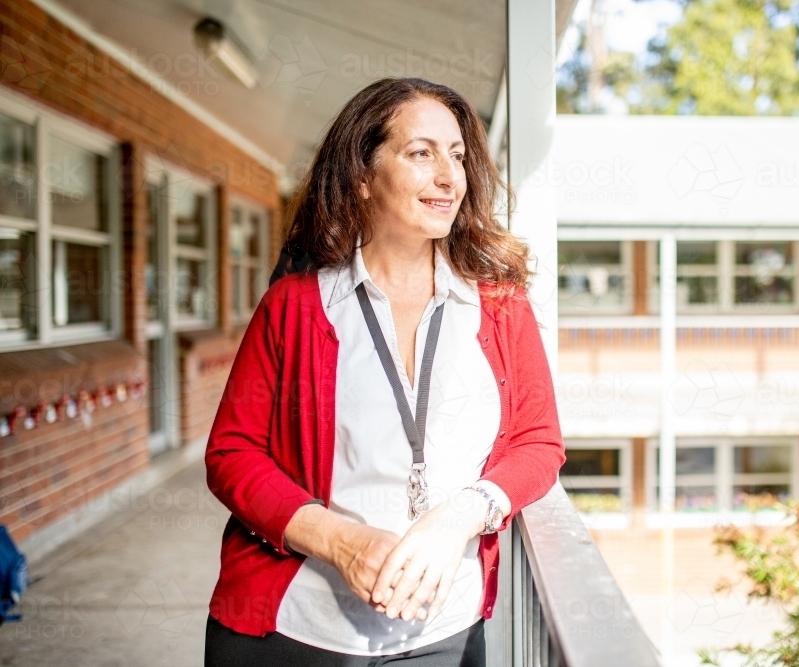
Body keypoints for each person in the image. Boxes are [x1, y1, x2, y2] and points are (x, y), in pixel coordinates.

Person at [203, 77, 565, 667]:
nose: (449, 176)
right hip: (298, 627)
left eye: (456, 155)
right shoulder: (295, 306)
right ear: (363, 176)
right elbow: (232, 454)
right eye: (421, 153)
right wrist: (338, 541)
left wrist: (460, 516)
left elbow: (539, 442)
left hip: (442, 630)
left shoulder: (500, 305)